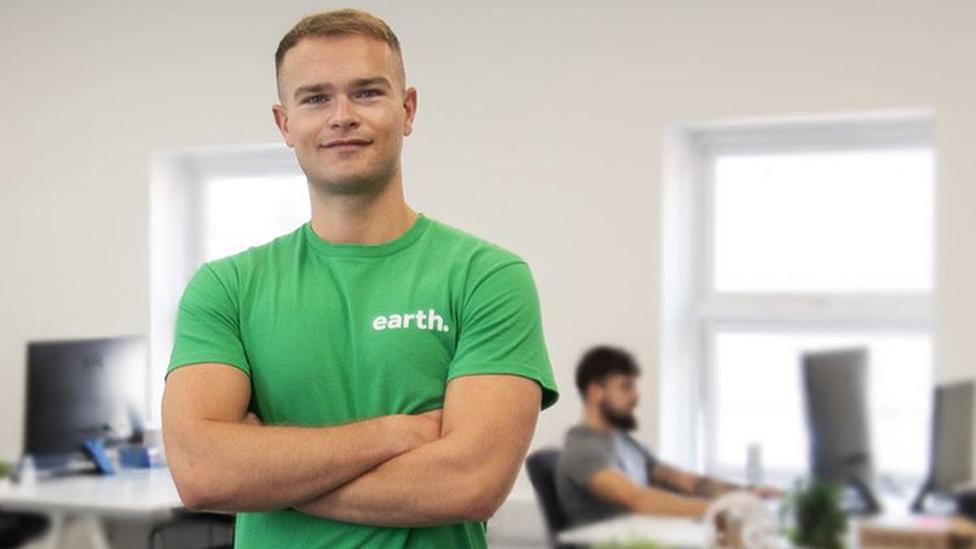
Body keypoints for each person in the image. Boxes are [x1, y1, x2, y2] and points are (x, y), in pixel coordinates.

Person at [161, 9, 559, 549]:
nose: (342, 116)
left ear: (408, 108)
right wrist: (396, 434)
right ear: (284, 123)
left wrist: (266, 472)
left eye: (367, 92)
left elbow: (470, 483)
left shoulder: (486, 277)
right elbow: (202, 473)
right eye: (315, 98)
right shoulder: (227, 288)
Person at [555, 346, 776, 527]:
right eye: (625, 386)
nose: (636, 396)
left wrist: (747, 494)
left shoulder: (627, 444)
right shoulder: (582, 450)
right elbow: (639, 500)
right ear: (595, 392)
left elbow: (684, 482)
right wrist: (727, 509)